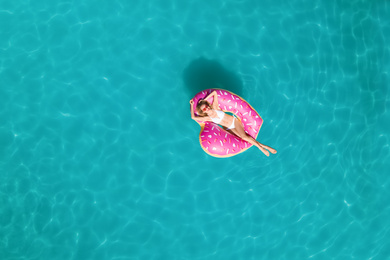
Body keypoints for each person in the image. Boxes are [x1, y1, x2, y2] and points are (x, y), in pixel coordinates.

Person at [190, 90, 277, 157]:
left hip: (234, 122)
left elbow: (215, 93)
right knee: (244, 138)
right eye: (204, 109)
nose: (207, 108)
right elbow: (193, 117)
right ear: (203, 111)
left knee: (244, 136)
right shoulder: (208, 118)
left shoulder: (215, 107)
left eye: (206, 106)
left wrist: (204, 99)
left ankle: (262, 148)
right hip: (228, 128)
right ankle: (265, 146)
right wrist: (191, 105)